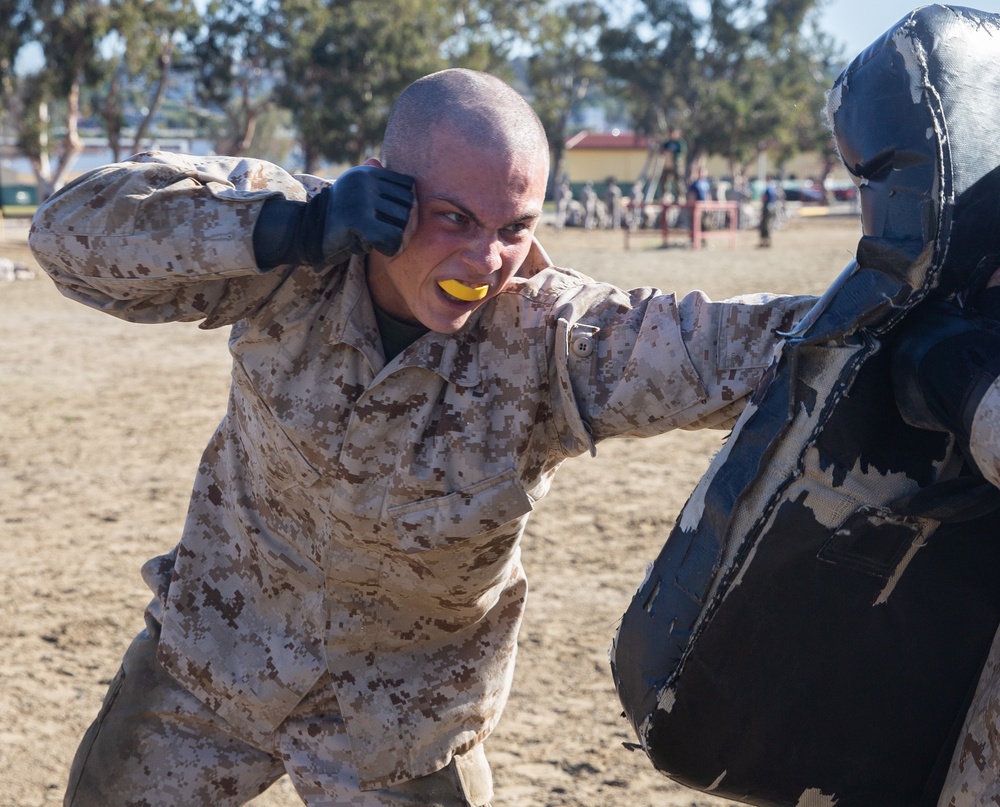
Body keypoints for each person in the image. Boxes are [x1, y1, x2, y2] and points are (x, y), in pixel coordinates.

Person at [28, 68, 813, 807]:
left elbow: (729, 346)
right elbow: (68, 233)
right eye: (455, 219)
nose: (486, 260)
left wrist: (913, 314)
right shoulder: (298, 249)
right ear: (386, 187)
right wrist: (292, 226)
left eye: (515, 227)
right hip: (213, 659)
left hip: (401, 723)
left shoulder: (551, 335)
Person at [757, 179, 779, 248]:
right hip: (772, 208)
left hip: (767, 208)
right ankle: (767, 241)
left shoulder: (768, 189)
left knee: (764, 225)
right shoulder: (773, 189)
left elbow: (764, 198)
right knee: (768, 225)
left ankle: (764, 242)